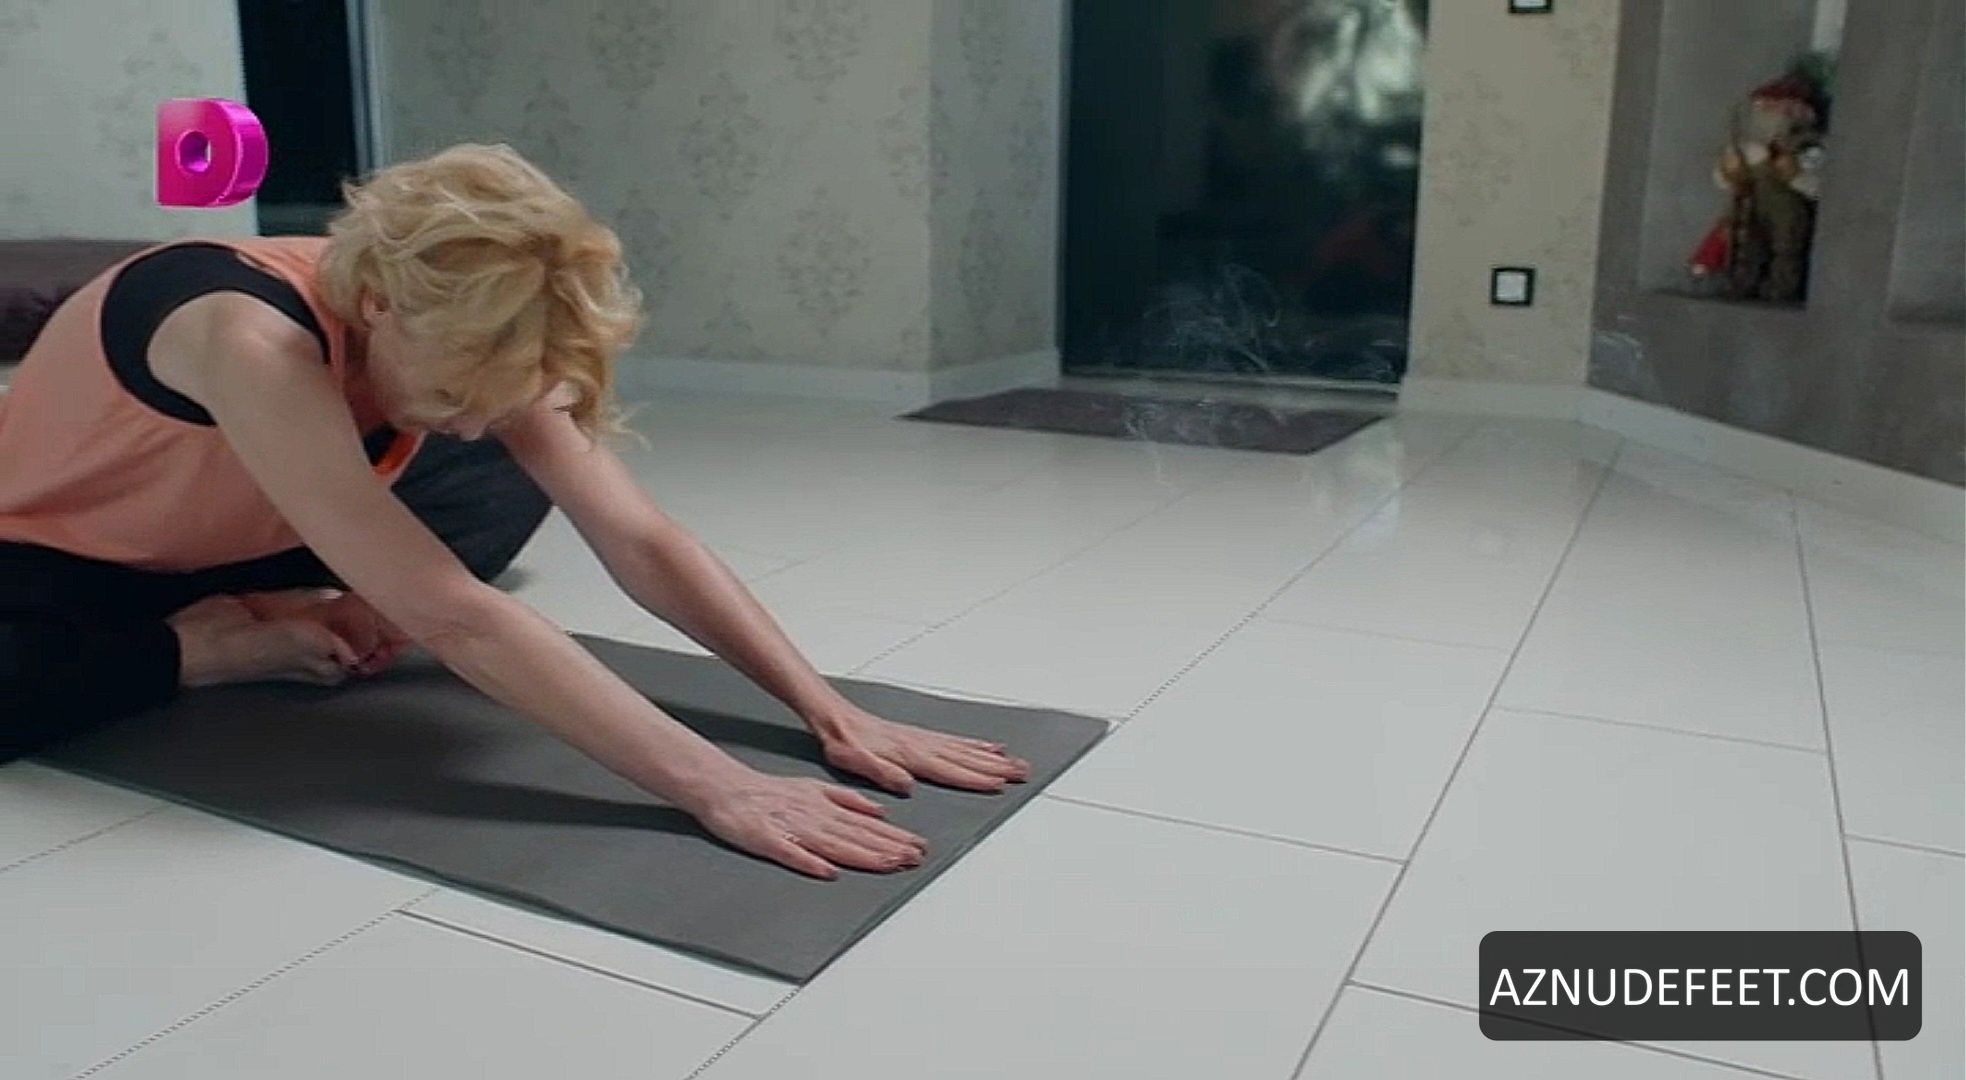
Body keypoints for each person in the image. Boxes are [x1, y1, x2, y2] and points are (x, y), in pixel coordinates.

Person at [0, 143, 1029, 880]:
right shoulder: (246, 334)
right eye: (454, 391)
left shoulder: (485, 316)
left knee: (499, 478)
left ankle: (326, 588)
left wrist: (831, 712)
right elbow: (456, 618)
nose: (467, 417)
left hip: (259, 520)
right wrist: (718, 786)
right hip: (70, 551)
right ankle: (205, 649)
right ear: (375, 304)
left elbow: (639, 536)